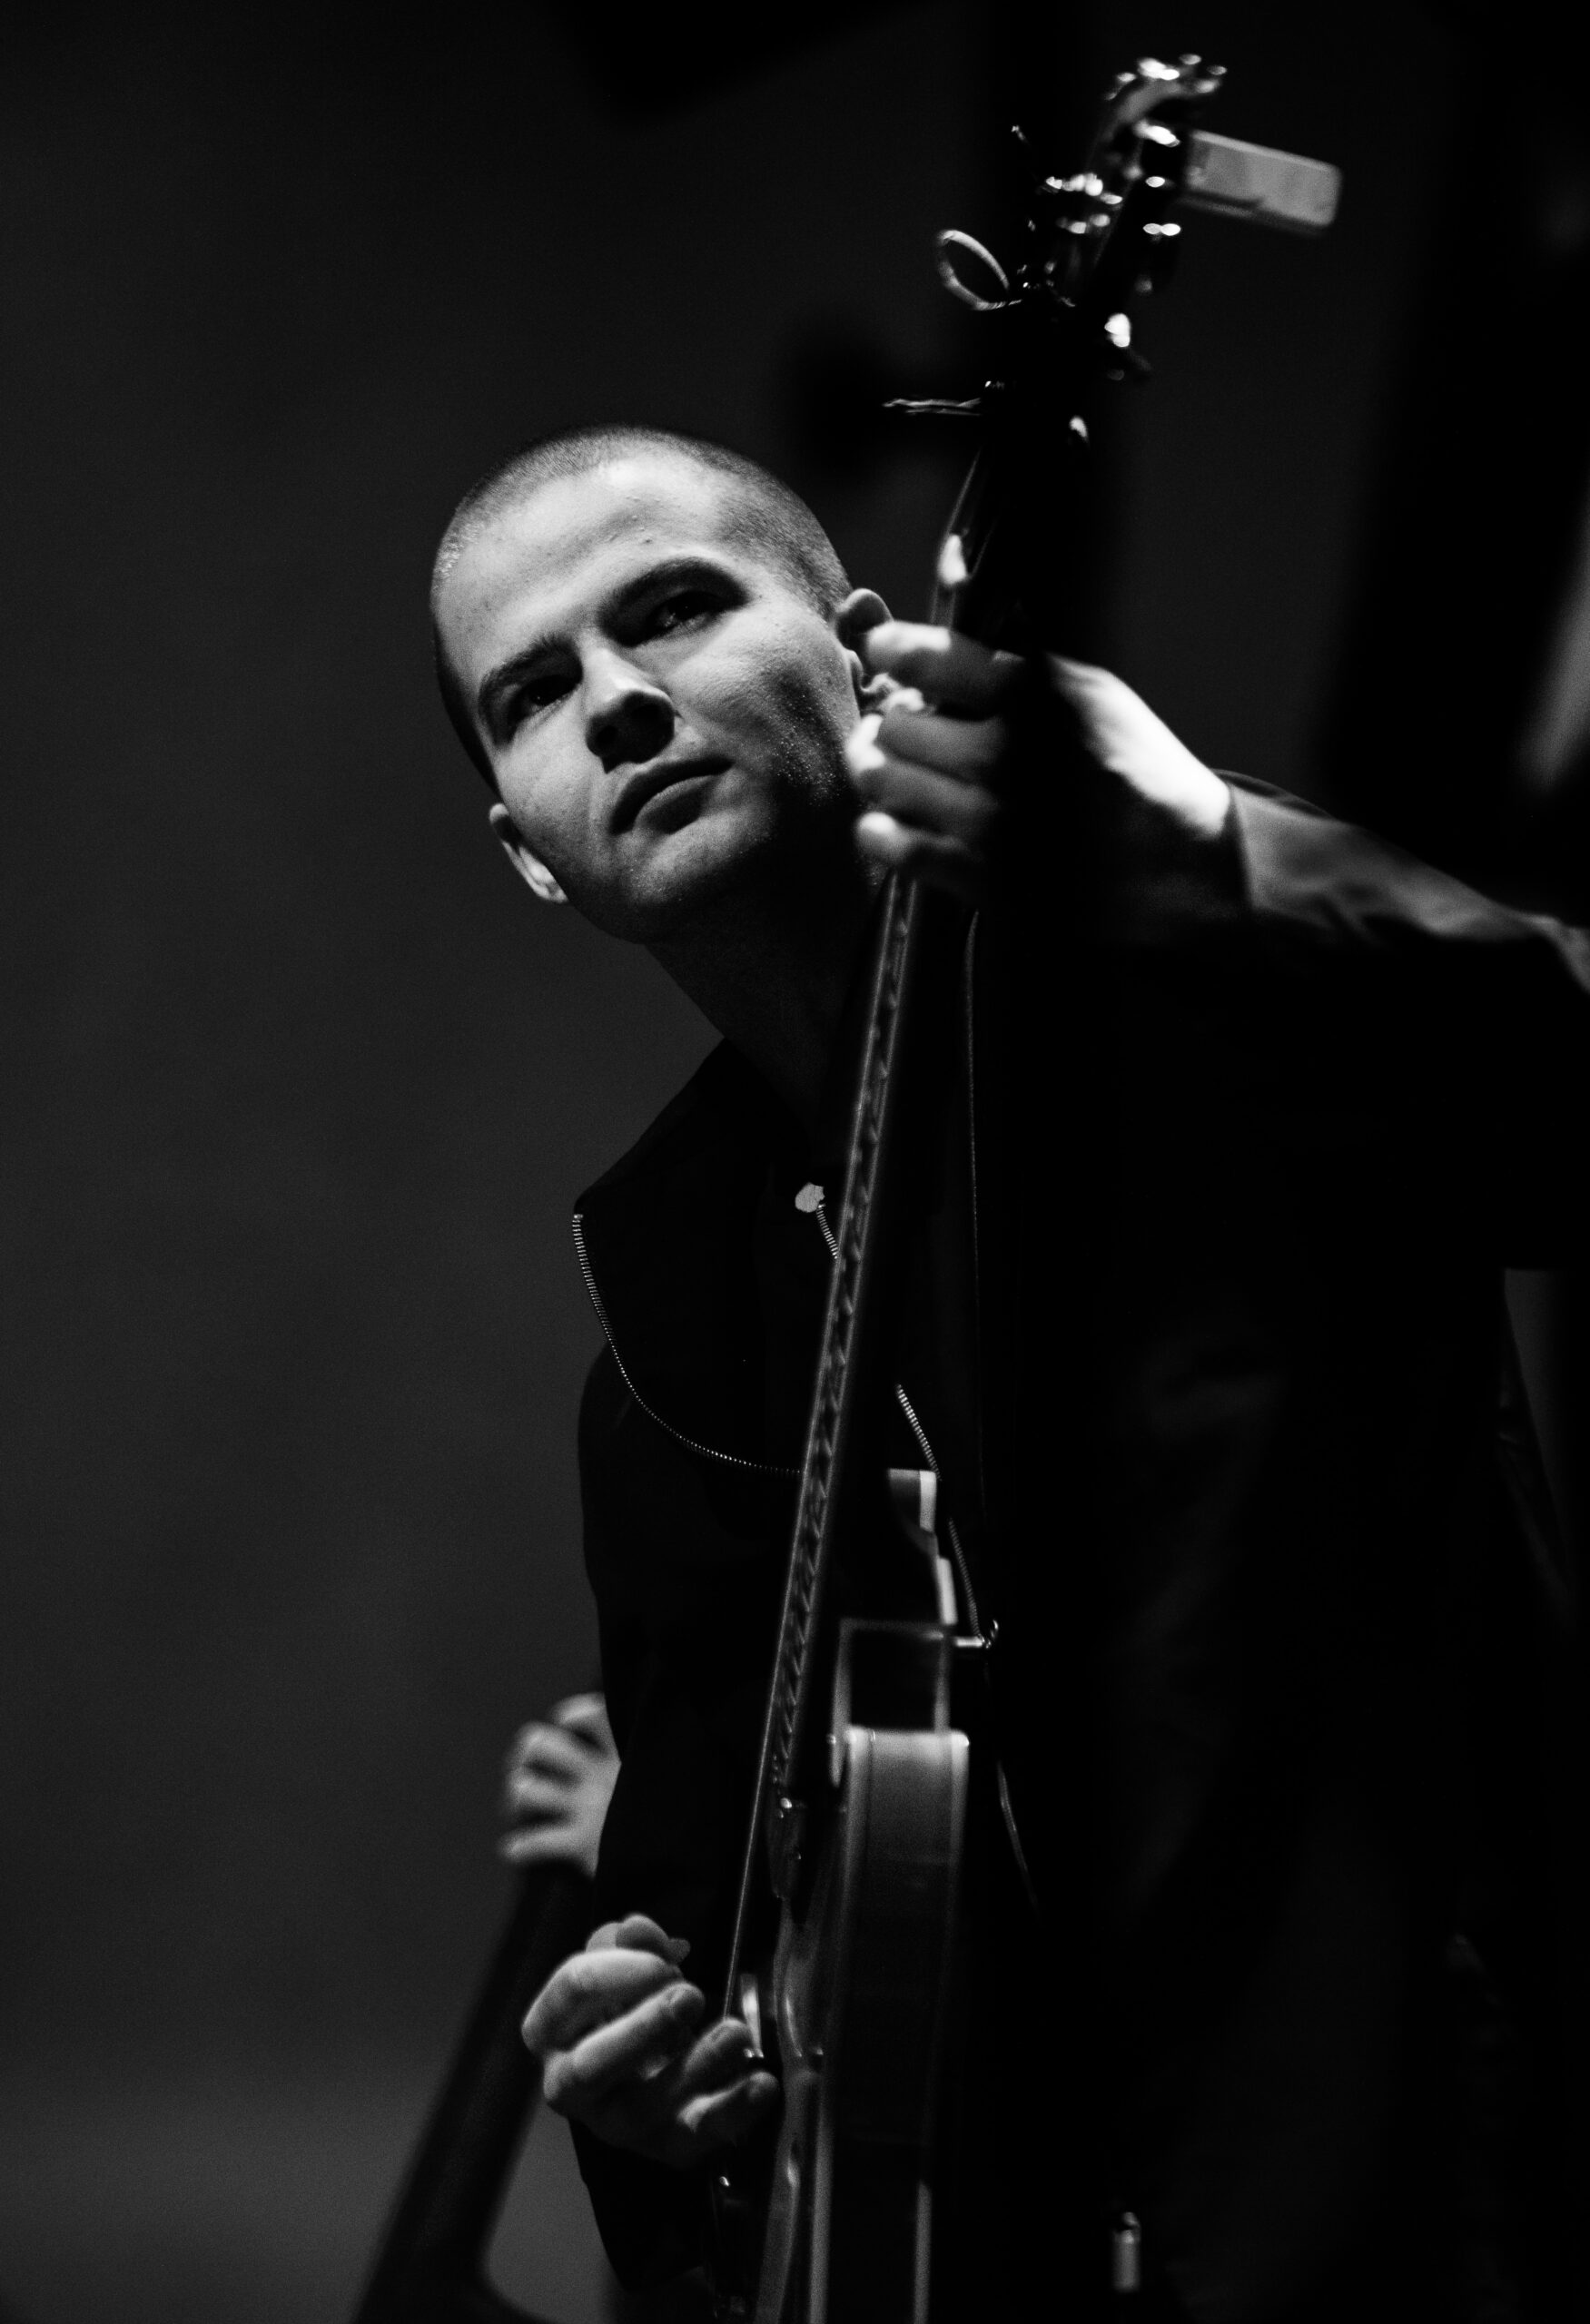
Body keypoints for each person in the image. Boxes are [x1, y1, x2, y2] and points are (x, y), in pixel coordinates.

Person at [430, 425, 1586, 2322]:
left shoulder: (1192, 969)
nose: (618, 701)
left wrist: (1220, 853)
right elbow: (739, 1999)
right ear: (528, 852)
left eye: (675, 610)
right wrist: (660, 2102)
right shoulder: (659, 1356)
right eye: (533, 694)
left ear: (870, 653)